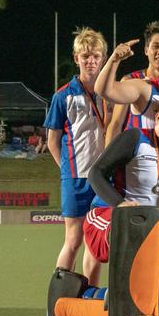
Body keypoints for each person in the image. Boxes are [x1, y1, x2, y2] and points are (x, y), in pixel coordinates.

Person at [48, 92, 159, 316]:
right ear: (157, 118)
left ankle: (77, 301)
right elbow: (96, 174)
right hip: (106, 217)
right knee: (132, 232)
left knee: (148, 304)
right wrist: (120, 204)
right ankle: (90, 304)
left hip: (148, 232)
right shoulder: (136, 138)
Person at [44, 27, 109, 286]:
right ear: (76, 58)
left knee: (94, 241)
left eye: (95, 56)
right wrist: (66, 172)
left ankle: (89, 296)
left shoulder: (111, 93)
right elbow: (52, 141)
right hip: (75, 178)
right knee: (73, 240)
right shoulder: (63, 96)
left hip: (102, 179)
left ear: (103, 58)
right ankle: (58, 296)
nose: (90, 61)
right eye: (85, 56)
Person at [105, 21, 159, 146]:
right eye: (156, 46)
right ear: (146, 50)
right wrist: (108, 163)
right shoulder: (131, 80)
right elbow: (115, 124)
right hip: (136, 158)